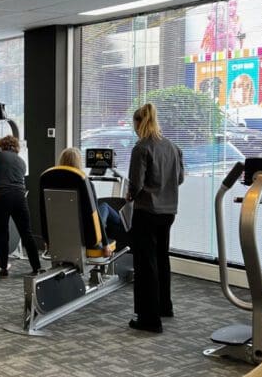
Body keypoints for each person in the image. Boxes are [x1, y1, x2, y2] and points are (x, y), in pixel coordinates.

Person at [126, 103, 184, 334]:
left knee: (145, 264)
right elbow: (180, 179)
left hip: (147, 211)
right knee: (161, 258)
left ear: (139, 123)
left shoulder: (141, 148)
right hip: (168, 212)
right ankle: (164, 306)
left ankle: (149, 319)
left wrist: (131, 194)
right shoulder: (173, 147)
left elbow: (136, 184)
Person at [0, 135, 42, 277]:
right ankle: (36, 267)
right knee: (26, 232)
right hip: (19, 196)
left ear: (1, 146)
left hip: (1, 196)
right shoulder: (21, 161)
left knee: (1, 232)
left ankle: (3, 268)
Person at [56, 146, 129, 251]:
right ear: (78, 163)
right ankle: (125, 226)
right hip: (88, 235)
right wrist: (105, 244)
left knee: (102, 206)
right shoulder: (86, 184)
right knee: (104, 206)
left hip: (63, 232)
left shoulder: (54, 184)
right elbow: (96, 213)